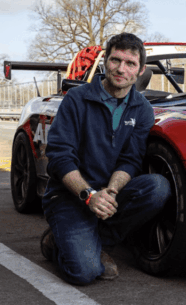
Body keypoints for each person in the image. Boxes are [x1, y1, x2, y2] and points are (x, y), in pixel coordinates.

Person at [40, 33, 171, 285]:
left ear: (141, 70)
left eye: (130, 63)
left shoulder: (142, 109)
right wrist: (89, 195)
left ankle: (98, 241)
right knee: (85, 273)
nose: (121, 69)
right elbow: (59, 157)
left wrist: (111, 191)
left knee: (157, 187)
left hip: (107, 194)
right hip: (70, 195)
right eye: (115, 60)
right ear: (105, 62)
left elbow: (130, 159)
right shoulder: (77, 100)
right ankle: (55, 242)